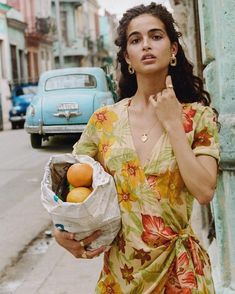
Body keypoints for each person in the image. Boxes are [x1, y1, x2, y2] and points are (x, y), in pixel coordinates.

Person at [54, 2, 220, 293]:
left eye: (156, 36)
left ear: (173, 50)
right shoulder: (105, 121)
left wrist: (173, 125)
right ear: (127, 58)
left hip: (179, 274)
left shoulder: (198, 117)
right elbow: (70, 186)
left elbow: (204, 190)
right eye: (135, 40)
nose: (146, 45)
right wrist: (60, 231)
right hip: (122, 273)